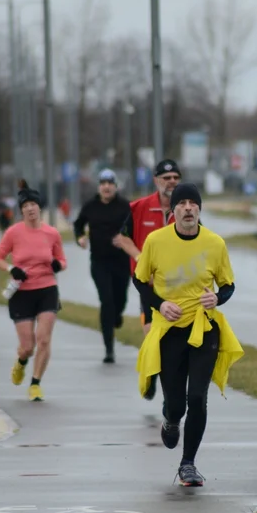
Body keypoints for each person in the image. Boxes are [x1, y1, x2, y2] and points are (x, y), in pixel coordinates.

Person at [133, 182, 243, 487]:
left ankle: (188, 464)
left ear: (199, 210)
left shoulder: (215, 243)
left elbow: (228, 285)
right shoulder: (156, 241)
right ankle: (170, 419)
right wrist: (160, 303)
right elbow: (140, 280)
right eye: (182, 203)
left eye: (193, 203)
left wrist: (217, 299)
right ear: (173, 211)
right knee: (177, 404)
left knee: (197, 397)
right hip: (169, 331)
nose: (188, 208)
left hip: (203, 328)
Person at [0, 181, 68, 402]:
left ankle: (35, 383)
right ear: (21, 210)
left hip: (47, 290)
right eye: (26, 205)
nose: (30, 208)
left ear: (39, 208)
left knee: (43, 340)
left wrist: (57, 265)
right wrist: (11, 268)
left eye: (34, 204)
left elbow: (62, 260)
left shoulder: (51, 233)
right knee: (27, 347)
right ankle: (21, 363)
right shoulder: (13, 233)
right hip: (21, 292)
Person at [112, 159, 181, 401]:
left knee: (174, 341)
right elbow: (122, 238)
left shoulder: (185, 209)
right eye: (166, 178)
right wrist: (140, 257)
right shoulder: (139, 208)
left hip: (178, 286)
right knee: (152, 333)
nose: (171, 182)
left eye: (175, 178)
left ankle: (167, 389)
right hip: (148, 285)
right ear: (156, 181)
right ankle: (151, 375)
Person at [72, 168, 132, 364]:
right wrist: (80, 237)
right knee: (106, 301)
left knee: (119, 300)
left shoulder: (125, 206)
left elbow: (133, 227)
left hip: (121, 262)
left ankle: (117, 315)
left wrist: (125, 239)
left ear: (115, 186)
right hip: (99, 262)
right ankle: (109, 349)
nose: (106, 187)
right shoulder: (90, 206)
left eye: (110, 183)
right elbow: (78, 224)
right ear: (99, 187)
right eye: (103, 183)